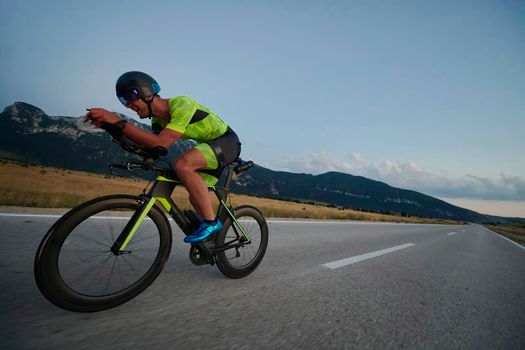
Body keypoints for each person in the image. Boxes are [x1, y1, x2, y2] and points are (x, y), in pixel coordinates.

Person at [86, 71, 241, 243]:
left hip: (227, 143)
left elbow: (160, 142)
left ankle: (212, 223)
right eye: (123, 100)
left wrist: (117, 120)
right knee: (196, 194)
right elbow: (151, 148)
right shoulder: (158, 122)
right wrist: (111, 128)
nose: (127, 104)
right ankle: (211, 238)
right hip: (209, 149)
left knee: (183, 165)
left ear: (148, 93)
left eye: (129, 96)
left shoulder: (181, 104)